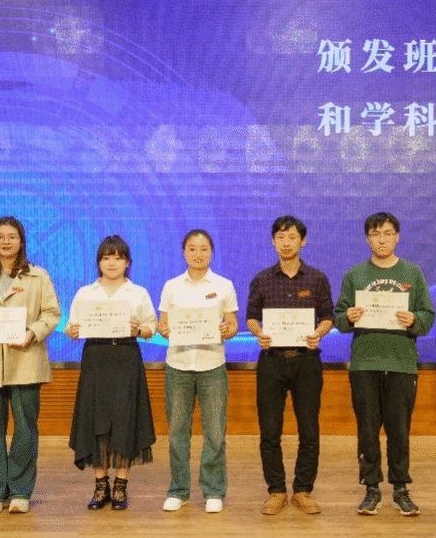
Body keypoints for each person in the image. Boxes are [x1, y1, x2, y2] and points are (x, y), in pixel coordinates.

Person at [335, 212, 435, 516]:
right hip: (365, 363)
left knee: (399, 430)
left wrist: (414, 319)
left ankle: (401, 488)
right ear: (368, 238)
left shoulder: (412, 272)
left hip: (402, 363)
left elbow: (428, 316)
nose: (382, 240)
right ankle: (371, 488)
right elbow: (339, 318)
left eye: (388, 234)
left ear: (397, 237)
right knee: (367, 430)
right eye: (376, 234)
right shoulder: (355, 274)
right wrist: (348, 316)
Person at [0, 216, 61, 515]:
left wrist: (32, 332)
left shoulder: (37, 276)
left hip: (26, 360)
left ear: (21, 241)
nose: (6, 241)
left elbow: (52, 313)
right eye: (0, 237)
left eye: (12, 236)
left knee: (25, 428)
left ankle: (20, 491)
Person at [246, 216, 334, 515]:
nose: (286, 243)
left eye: (292, 237)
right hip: (271, 361)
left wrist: (318, 333)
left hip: (306, 361)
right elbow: (251, 317)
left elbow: (328, 316)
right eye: (281, 238)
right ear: (273, 242)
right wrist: (259, 333)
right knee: (270, 431)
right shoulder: (262, 279)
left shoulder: (317, 279)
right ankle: (276, 491)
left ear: (303, 241)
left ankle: (303, 490)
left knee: (309, 430)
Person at [65, 235, 157, 511]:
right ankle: (100, 484)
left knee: (125, 419)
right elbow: (71, 326)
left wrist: (138, 330)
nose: (112, 263)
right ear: (99, 262)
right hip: (96, 360)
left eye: (118, 258)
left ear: (127, 262)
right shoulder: (86, 293)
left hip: (126, 358)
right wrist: (72, 331)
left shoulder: (138, 292)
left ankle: (120, 486)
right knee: (97, 418)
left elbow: (151, 328)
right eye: (107, 258)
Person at [156, 229, 238, 513]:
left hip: (212, 365)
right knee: (177, 432)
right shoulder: (171, 286)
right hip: (178, 366)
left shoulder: (224, 285)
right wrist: (164, 329)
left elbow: (233, 325)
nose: (198, 254)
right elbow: (162, 323)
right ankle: (179, 490)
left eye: (203, 249)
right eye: (192, 249)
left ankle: (213, 490)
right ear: (184, 253)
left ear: (211, 252)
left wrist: (227, 329)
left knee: (215, 432)